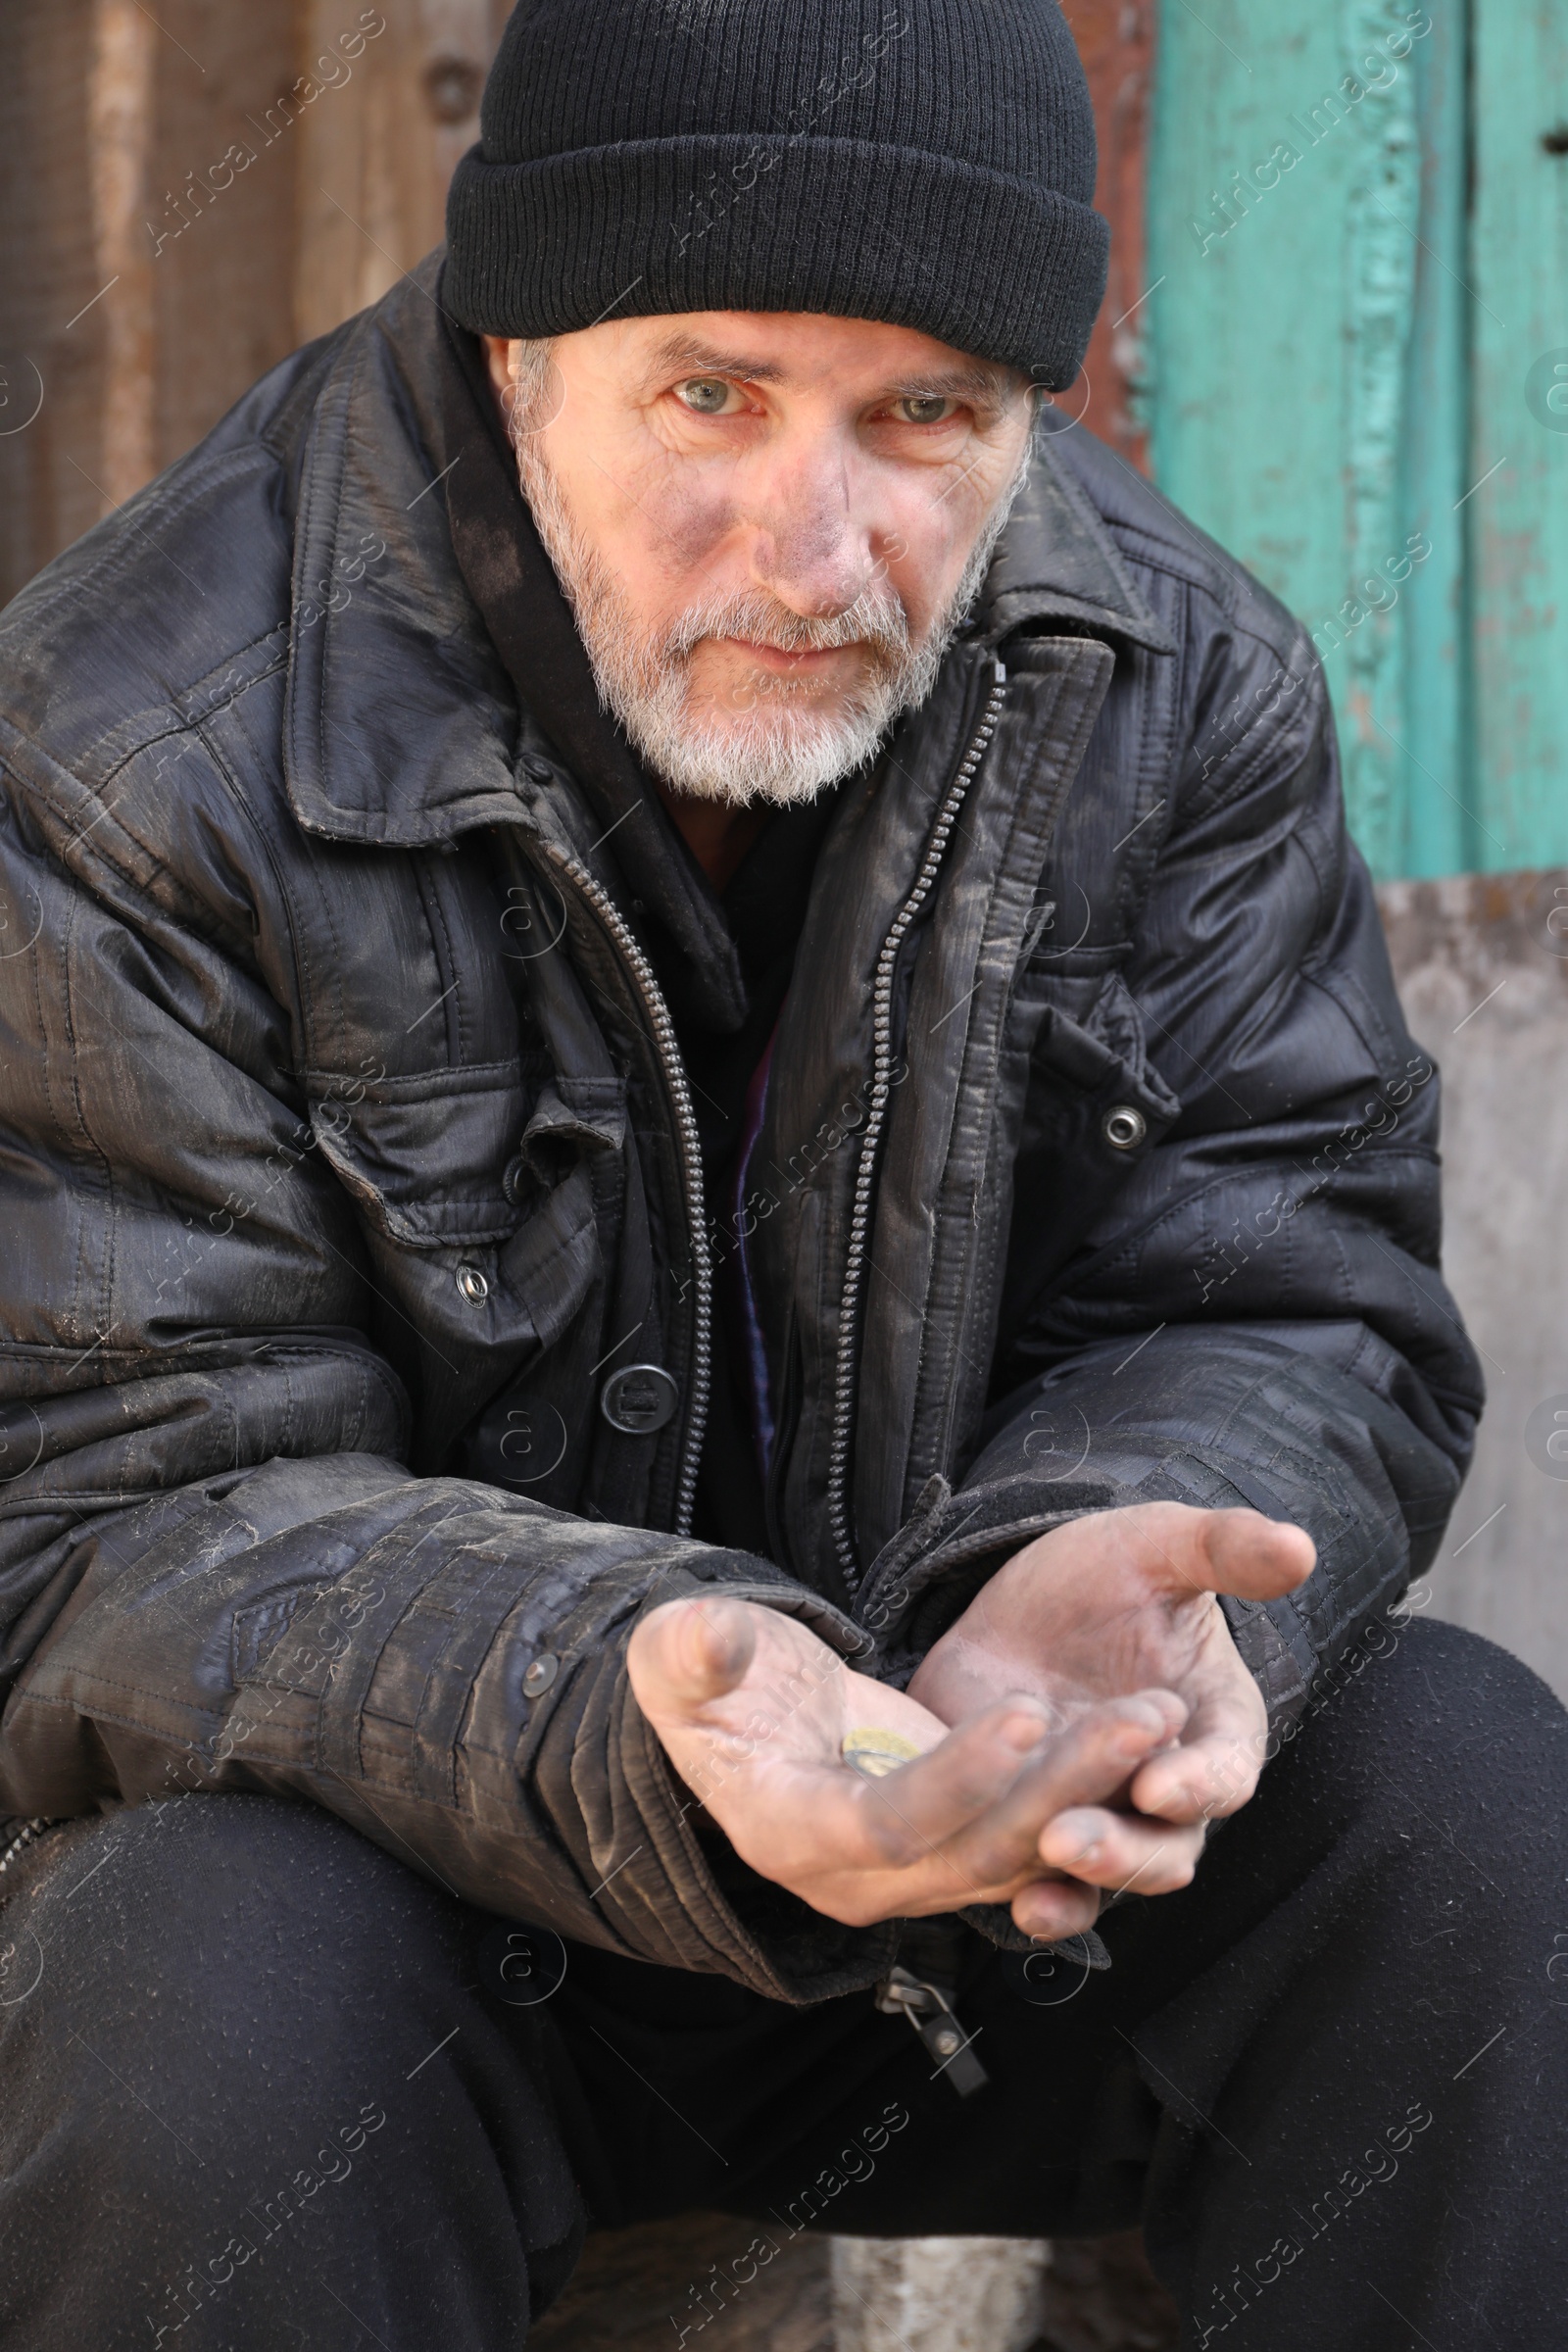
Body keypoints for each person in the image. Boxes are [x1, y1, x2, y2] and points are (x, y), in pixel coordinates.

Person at [0, 2, 1561, 2345]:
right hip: (432, 1912)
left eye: (923, 415)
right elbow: (112, 1513)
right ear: (518, 343)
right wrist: (629, 1691)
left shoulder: (1175, 677)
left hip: (983, 1875)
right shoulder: (131, 750)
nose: (811, 542)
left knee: (1466, 1807)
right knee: (192, 1985)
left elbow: (1283, 1287)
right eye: (711, 393)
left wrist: (1087, 1595)